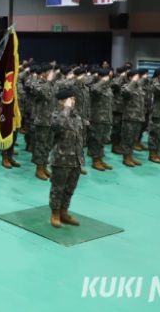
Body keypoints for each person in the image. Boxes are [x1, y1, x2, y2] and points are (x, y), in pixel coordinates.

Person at [48, 87, 85, 228]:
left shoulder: (76, 116)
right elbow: (59, 126)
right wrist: (66, 109)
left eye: (74, 99)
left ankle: (64, 212)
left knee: (70, 188)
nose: (73, 102)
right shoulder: (56, 115)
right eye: (71, 99)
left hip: (76, 159)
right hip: (61, 159)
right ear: (62, 101)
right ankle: (55, 213)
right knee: (58, 188)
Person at [88, 68, 114, 170]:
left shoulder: (107, 88)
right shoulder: (95, 86)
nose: (107, 78)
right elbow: (94, 90)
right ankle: (95, 161)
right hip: (97, 118)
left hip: (106, 118)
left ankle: (100, 159)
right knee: (96, 140)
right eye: (105, 76)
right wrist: (102, 81)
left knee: (103, 140)